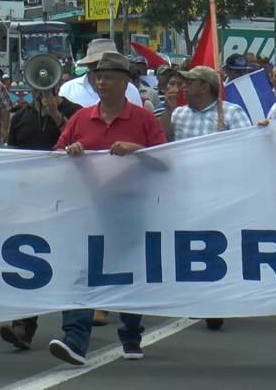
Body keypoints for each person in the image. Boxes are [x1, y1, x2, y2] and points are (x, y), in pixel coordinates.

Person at [48, 52, 168, 366]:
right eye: (98, 76)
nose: (101, 82)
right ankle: (75, 339)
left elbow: (166, 162)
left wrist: (137, 150)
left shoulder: (144, 119)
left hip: (131, 207)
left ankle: (130, 333)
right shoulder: (81, 118)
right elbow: (56, 157)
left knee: (127, 271)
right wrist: (71, 152)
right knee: (81, 270)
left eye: (109, 77)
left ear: (125, 81)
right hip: (87, 208)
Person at [163, 65, 251, 331]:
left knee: (219, 245)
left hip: (221, 191)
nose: (184, 87)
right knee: (192, 245)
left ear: (205, 86)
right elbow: (162, 141)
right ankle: (201, 295)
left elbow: (249, 148)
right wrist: (168, 108)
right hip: (186, 192)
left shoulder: (231, 113)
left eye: (189, 83)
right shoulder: (178, 114)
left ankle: (217, 299)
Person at [0, 83, 81, 350]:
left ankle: (75, 330)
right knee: (29, 260)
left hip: (67, 197)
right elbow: (13, 156)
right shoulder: (20, 117)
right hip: (31, 198)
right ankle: (23, 326)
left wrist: (57, 116)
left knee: (69, 261)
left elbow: (80, 144)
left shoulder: (75, 112)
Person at [58, 39, 142, 108]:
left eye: (108, 64)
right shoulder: (68, 89)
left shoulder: (130, 90)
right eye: (97, 64)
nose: (102, 68)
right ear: (89, 65)